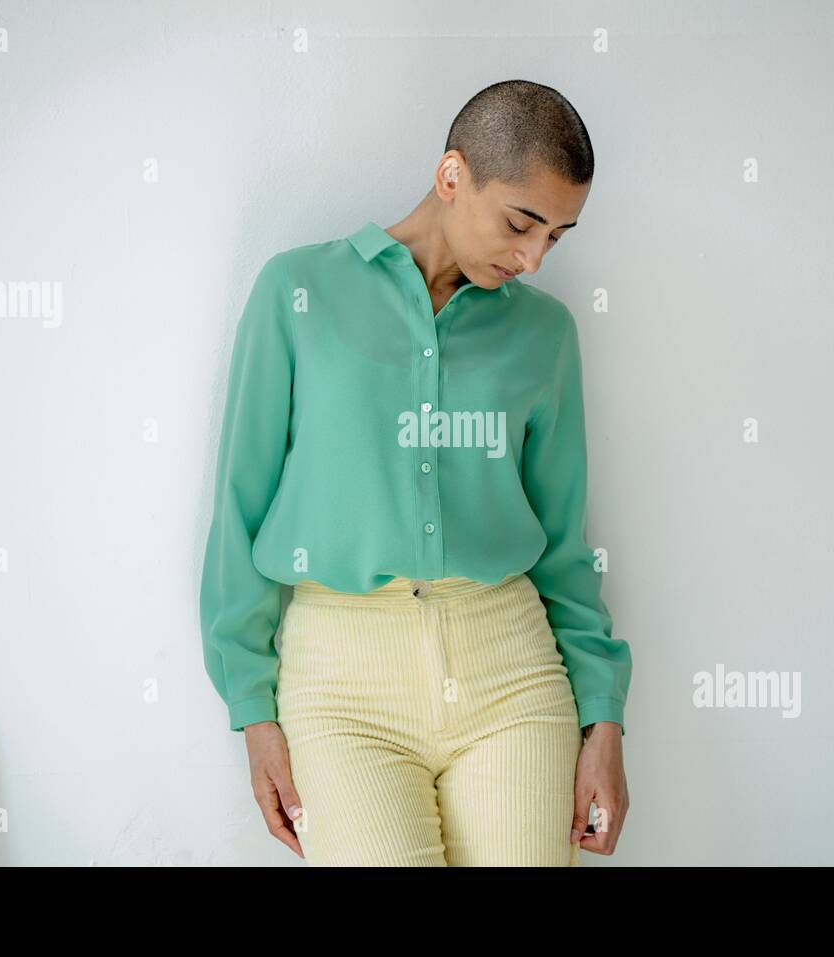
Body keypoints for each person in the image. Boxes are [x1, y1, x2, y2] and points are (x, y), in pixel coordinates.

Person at [199, 79, 632, 866]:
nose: (533, 257)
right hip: (341, 680)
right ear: (451, 175)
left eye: (557, 237)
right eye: (520, 223)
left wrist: (604, 719)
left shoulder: (545, 334)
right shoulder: (297, 293)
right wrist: (250, 708)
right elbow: (241, 505)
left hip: (511, 668)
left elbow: (567, 541)